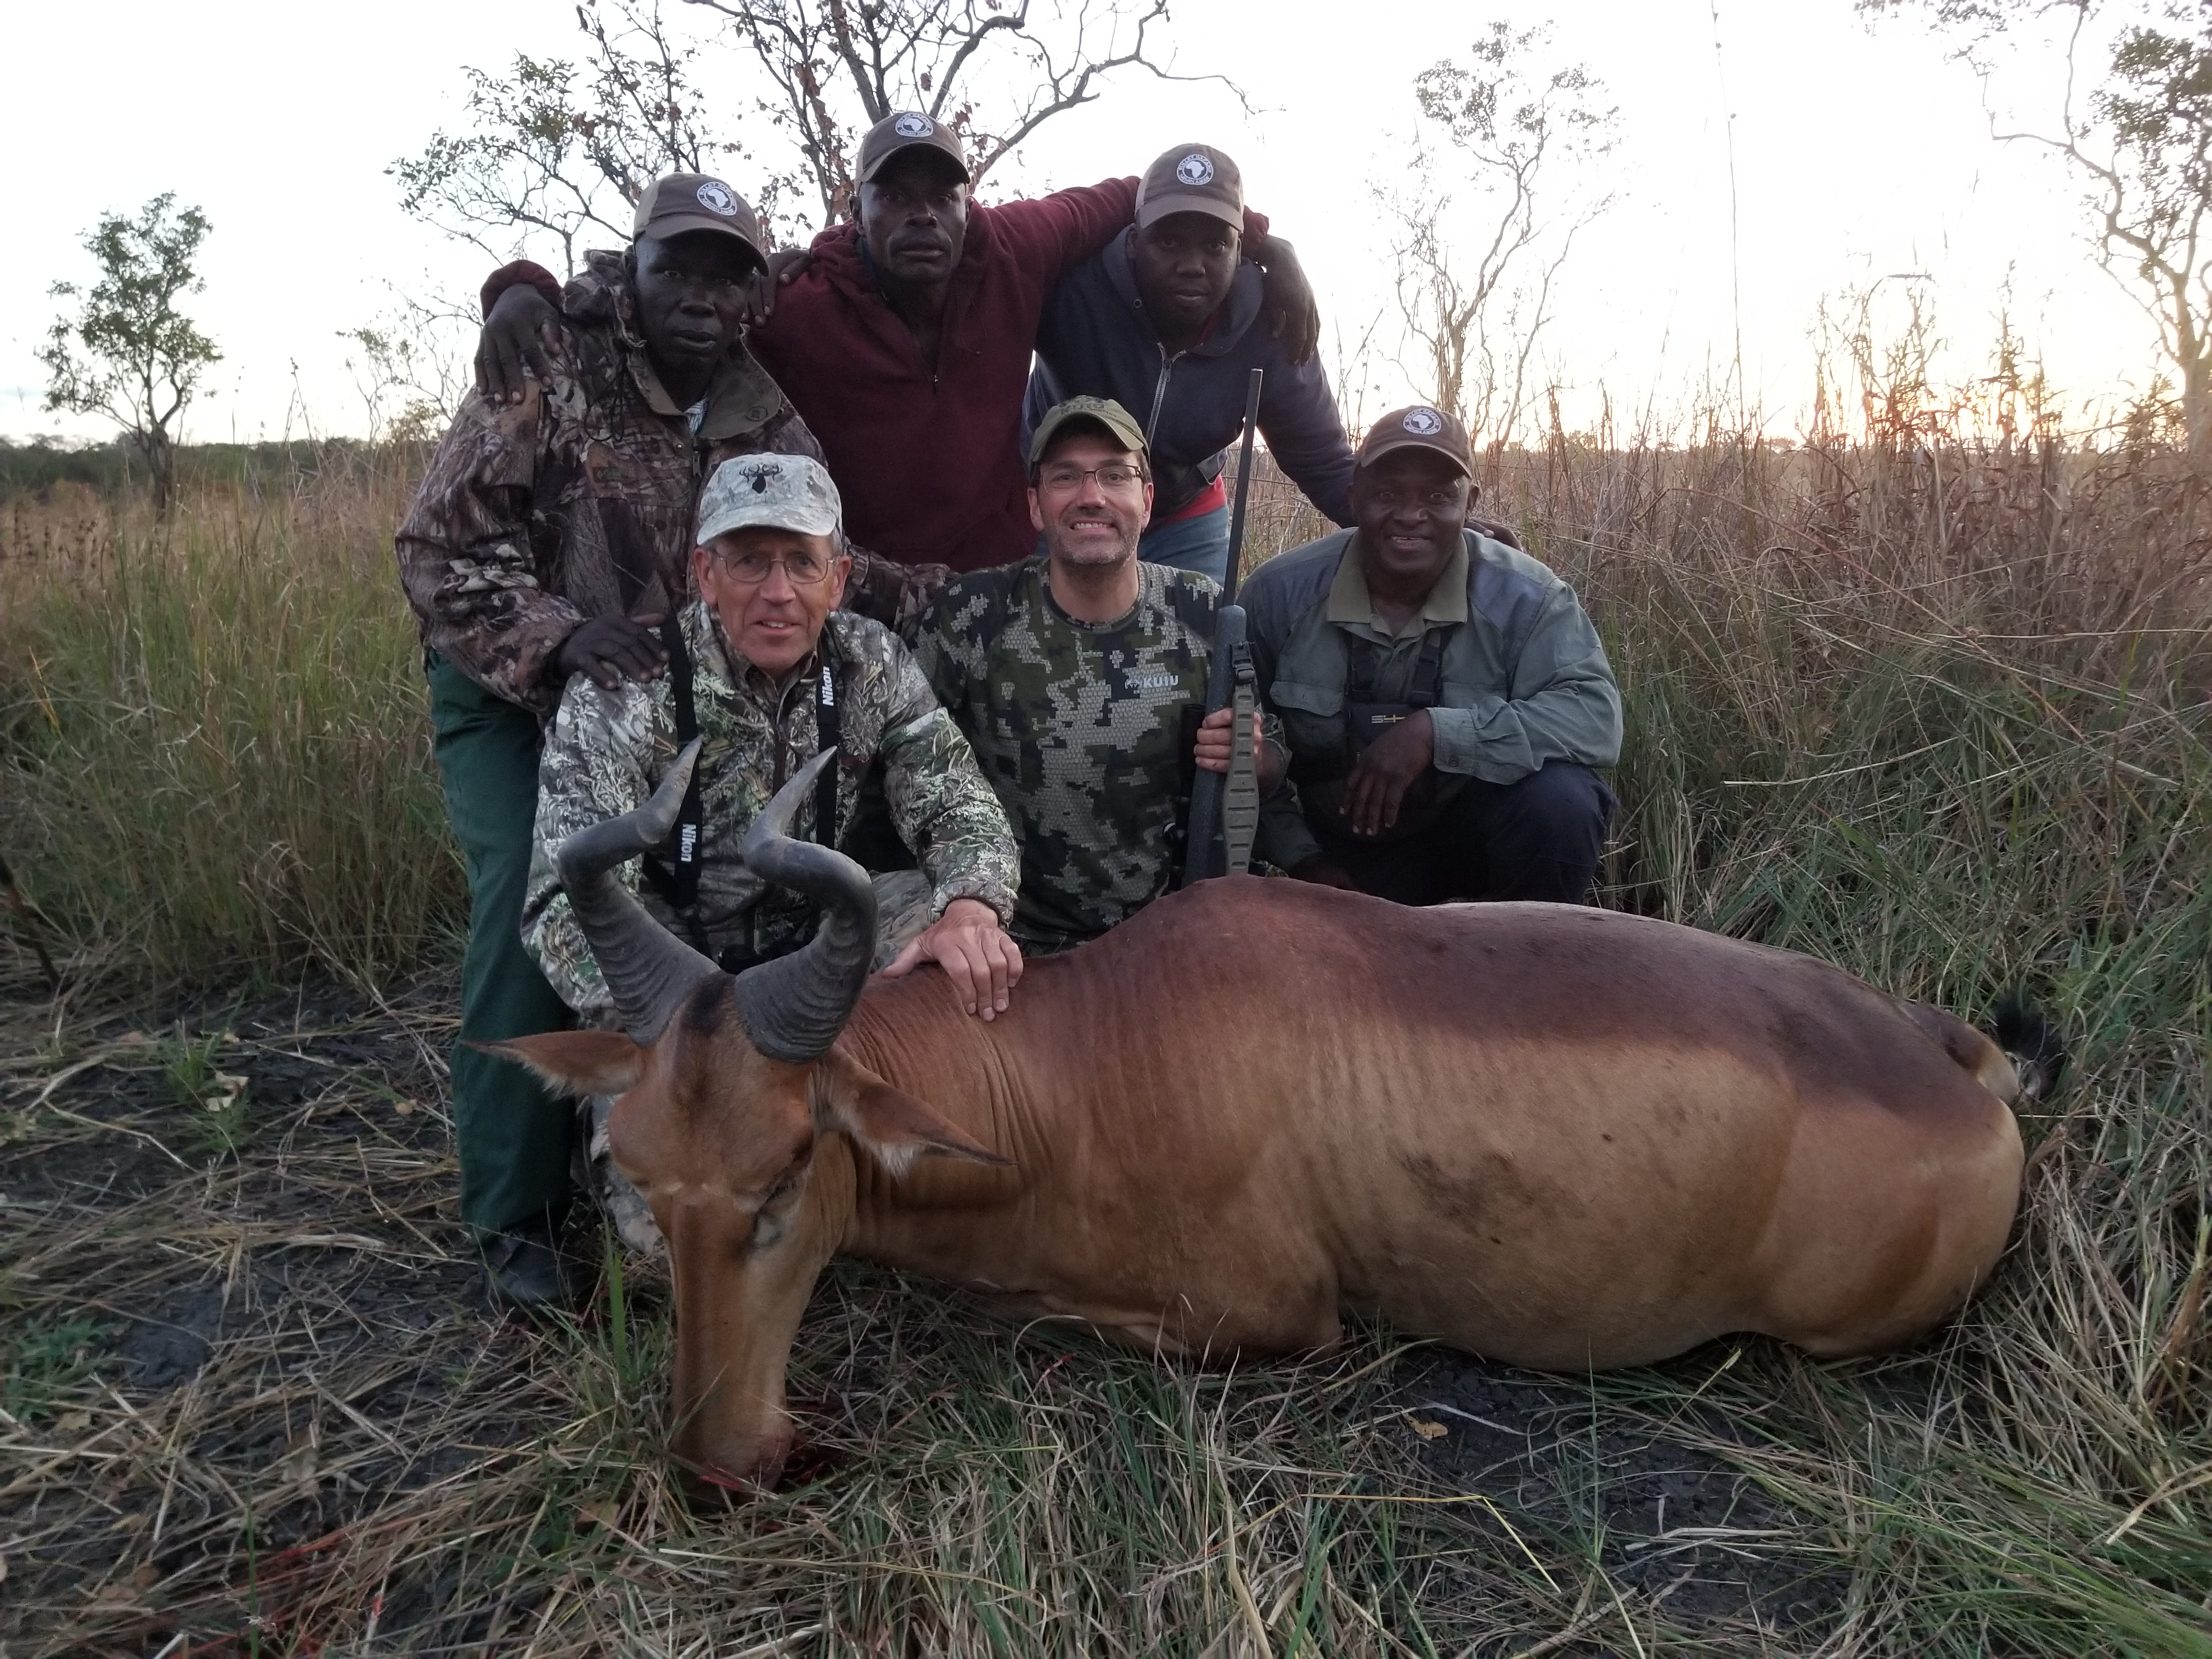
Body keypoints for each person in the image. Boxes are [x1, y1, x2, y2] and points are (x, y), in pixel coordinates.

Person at [396, 172, 877, 1309]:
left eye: (726, 275)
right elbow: (436, 554)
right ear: (636, 270)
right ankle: (514, 1214)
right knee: (539, 897)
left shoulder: (771, 415)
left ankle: (701, 1156)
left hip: (662, 703)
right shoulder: (549, 360)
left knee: (707, 900)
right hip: (512, 687)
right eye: (677, 269)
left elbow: (808, 568)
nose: (699, 298)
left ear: (758, 295)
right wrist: (558, 640)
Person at [523, 453, 1022, 1267]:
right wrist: (693, 1024)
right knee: (664, 1257)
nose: (778, 591)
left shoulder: (872, 660)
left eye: (801, 561)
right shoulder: (627, 686)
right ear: (704, 575)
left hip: (812, 964)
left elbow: (957, 800)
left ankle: (874, 1142)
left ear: (841, 576)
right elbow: (560, 901)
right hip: (674, 988)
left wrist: (970, 904)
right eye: (750, 561)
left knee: (954, 947)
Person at [473, 112, 1319, 578]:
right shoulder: (795, 301)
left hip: (998, 572)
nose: (922, 215)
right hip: (861, 587)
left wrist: (1265, 244)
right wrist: (524, 286)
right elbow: (670, 295)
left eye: (941, 195)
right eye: (895, 196)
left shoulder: (1017, 249)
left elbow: (1140, 192)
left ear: (968, 204)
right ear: (858, 207)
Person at [916, 397, 1285, 955]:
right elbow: (908, 769)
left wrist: (1254, 757)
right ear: (1036, 506)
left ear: (1147, 499)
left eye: (1116, 475)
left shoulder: (1204, 610)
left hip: (1167, 939)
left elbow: (1272, 752)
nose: (1092, 496)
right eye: (1066, 477)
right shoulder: (971, 615)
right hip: (1013, 948)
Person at [1243, 405, 1622, 907]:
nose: (1409, 514)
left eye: (1439, 497)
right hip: (1332, 854)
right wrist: (1304, 860)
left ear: (1471, 505)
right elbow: (1238, 753)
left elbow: (1595, 717)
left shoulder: (1528, 597)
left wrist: (1436, 733)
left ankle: (1526, 966)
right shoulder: (1276, 595)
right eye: (1386, 493)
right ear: (1353, 498)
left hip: (1468, 845)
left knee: (1564, 799)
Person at [1024, 143, 1357, 584]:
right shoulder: (1074, 285)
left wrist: (1431, 522)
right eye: (1168, 242)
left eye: (1216, 245)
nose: (1192, 266)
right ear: (1133, 237)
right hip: (1066, 502)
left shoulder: (1274, 321)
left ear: (1242, 251)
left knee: (1199, 645)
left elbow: (1325, 462)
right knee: (1043, 642)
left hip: (1185, 516)